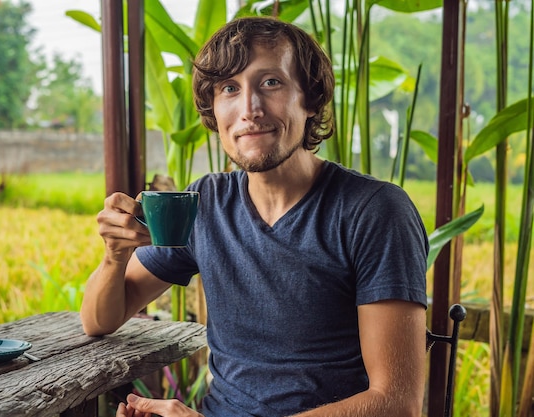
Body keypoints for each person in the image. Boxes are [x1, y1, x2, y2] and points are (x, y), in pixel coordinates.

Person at [81, 16, 428, 417]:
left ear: (310, 99)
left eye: (271, 83)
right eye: (230, 88)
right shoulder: (203, 202)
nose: (250, 109)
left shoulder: (375, 211)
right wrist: (114, 254)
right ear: (214, 109)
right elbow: (98, 320)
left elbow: (395, 403)